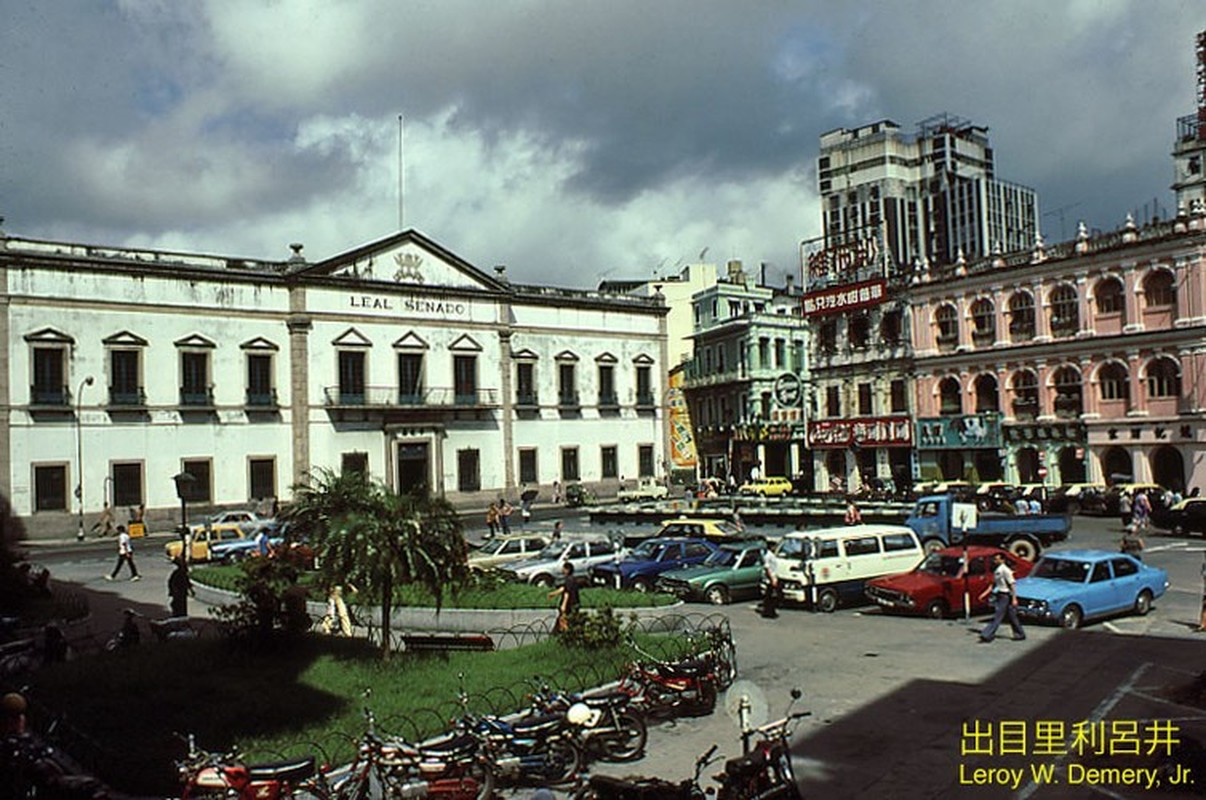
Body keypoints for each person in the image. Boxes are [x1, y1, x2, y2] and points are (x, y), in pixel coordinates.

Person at [977, 552, 1025, 643]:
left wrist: (1014, 598)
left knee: (998, 615)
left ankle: (987, 634)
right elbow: (993, 585)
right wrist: (984, 594)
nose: (995, 561)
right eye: (995, 559)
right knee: (1012, 616)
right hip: (1000, 594)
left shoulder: (1005, 570)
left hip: (1006, 595)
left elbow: (1012, 585)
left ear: (1002, 560)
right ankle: (1020, 633)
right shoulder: (997, 570)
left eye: (997, 559)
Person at [548, 562, 580, 633]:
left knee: (564, 619)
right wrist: (553, 594)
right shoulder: (572, 579)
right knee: (567, 619)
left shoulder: (569, 580)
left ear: (567, 570)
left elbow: (567, 593)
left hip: (570, 604)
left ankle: (566, 633)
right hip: (575, 603)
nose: (562, 570)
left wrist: (563, 605)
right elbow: (563, 588)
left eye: (564, 568)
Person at [759, 549, 779, 619]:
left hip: (774, 577)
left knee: (772, 597)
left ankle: (771, 611)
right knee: (770, 597)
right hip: (770, 579)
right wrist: (772, 579)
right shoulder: (768, 556)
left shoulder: (772, 555)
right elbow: (767, 569)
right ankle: (769, 612)